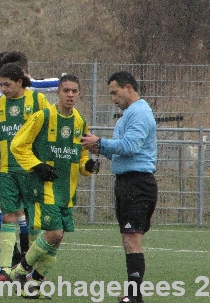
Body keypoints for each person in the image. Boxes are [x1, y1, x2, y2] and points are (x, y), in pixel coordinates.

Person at [10, 74, 99, 297]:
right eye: (66, 90)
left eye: (74, 91)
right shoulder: (43, 116)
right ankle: (20, 271)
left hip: (67, 191)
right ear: (58, 93)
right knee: (54, 233)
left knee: (57, 240)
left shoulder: (80, 122)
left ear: (79, 94)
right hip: (45, 187)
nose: (70, 95)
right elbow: (18, 145)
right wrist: (37, 165)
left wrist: (88, 165)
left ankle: (34, 286)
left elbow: (79, 159)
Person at [81, 71, 157, 303]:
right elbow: (123, 148)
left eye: (115, 92)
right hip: (127, 183)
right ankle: (133, 295)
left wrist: (101, 143)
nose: (113, 98)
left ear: (128, 87)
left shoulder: (140, 112)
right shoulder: (128, 114)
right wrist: (100, 147)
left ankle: (135, 296)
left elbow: (131, 145)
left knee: (132, 237)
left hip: (138, 183)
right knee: (128, 237)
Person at [0, 63, 49, 283]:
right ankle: (5, 270)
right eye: (0, 84)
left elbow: (49, 130)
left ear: (20, 82)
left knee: (33, 220)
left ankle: (33, 271)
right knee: (8, 217)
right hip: (7, 171)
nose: (3, 89)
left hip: (31, 170)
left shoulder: (37, 101)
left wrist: (44, 163)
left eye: (7, 84)